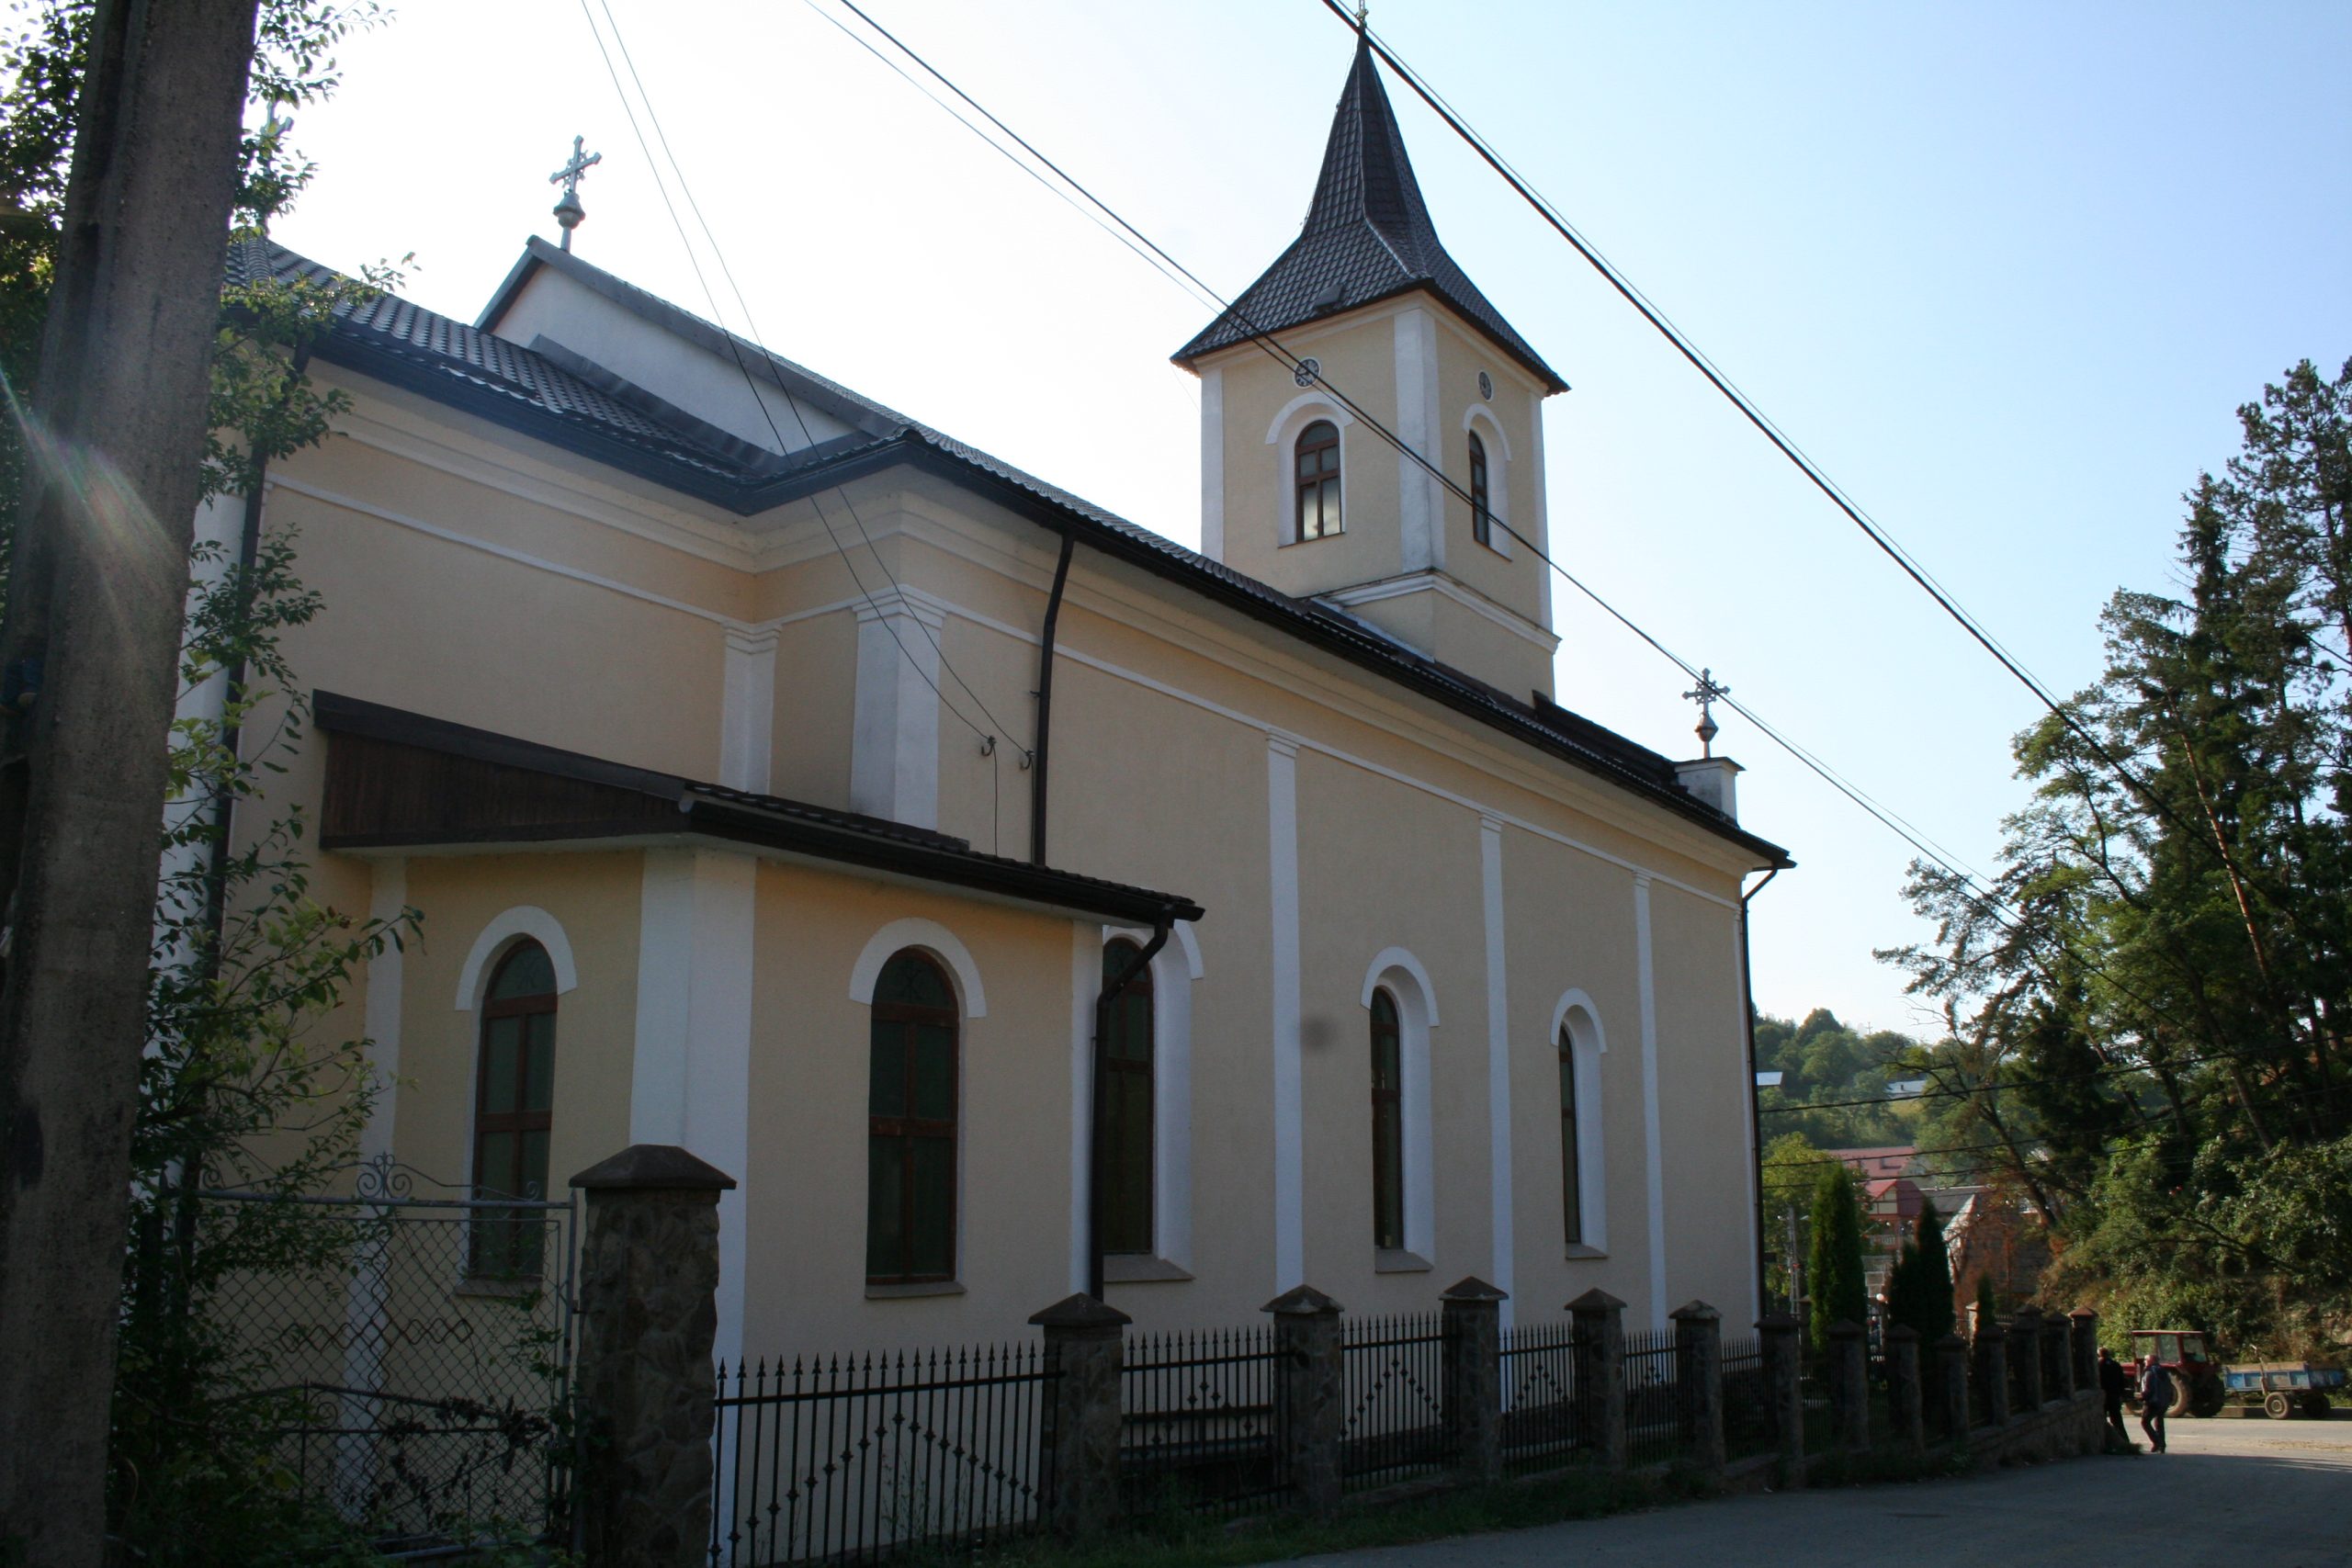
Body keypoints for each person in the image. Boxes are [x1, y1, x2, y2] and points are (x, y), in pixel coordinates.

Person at [2137, 1354, 2174, 1453]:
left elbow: (2149, 1388)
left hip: (2153, 1401)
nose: (2144, 1361)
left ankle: (2157, 1442)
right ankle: (2162, 1445)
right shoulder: (2163, 1371)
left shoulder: (2150, 1372)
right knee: (2159, 1422)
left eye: (2146, 1360)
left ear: (2151, 1360)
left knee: (2145, 1422)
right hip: (2164, 1401)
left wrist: (2142, 1397)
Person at [2098, 1347, 2131, 1447]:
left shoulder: (2098, 1365)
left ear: (2099, 1355)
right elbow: (2122, 1380)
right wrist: (2121, 1394)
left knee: (2102, 1420)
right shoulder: (2116, 1364)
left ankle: (2105, 1442)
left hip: (2104, 1395)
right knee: (2117, 1420)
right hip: (2115, 1395)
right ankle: (2124, 1441)